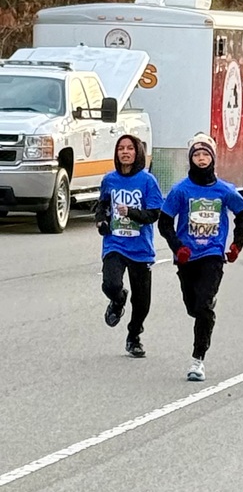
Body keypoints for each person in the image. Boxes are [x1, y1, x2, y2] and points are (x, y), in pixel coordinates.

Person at [158, 133, 243, 382]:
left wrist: (236, 244)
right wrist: (177, 247)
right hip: (187, 258)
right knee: (192, 306)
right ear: (191, 159)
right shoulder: (181, 190)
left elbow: (242, 213)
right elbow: (165, 222)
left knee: (203, 308)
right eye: (197, 155)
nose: (201, 159)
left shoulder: (223, 190)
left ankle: (198, 360)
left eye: (205, 155)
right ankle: (203, 306)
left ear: (212, 159)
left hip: (212, 254)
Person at [95, 135, 163, 358]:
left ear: (138, 153)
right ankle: (117, 299)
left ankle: (134, 336)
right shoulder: (110, 180)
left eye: (130, 149)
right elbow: (103, 204)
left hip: (140, 247)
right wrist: (102, 220)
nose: (125, 152)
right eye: (121, 149)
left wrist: (131, 212)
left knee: (142, 302)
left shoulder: (147, 181)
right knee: (110, 283)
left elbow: (154, 214)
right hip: (115, 243)